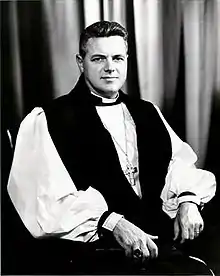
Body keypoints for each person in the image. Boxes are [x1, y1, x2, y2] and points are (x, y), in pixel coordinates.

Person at [7, 21, 216, 274]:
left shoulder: (147, 112)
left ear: (127, 60)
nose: (110, 68)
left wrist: (188, 200)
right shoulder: (48, 119)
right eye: (98, 59)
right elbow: (45, 202)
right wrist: (111, 222)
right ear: (80, 62)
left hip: (155, 245)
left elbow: (179, 164)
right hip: (90, 254)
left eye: (117, 58)